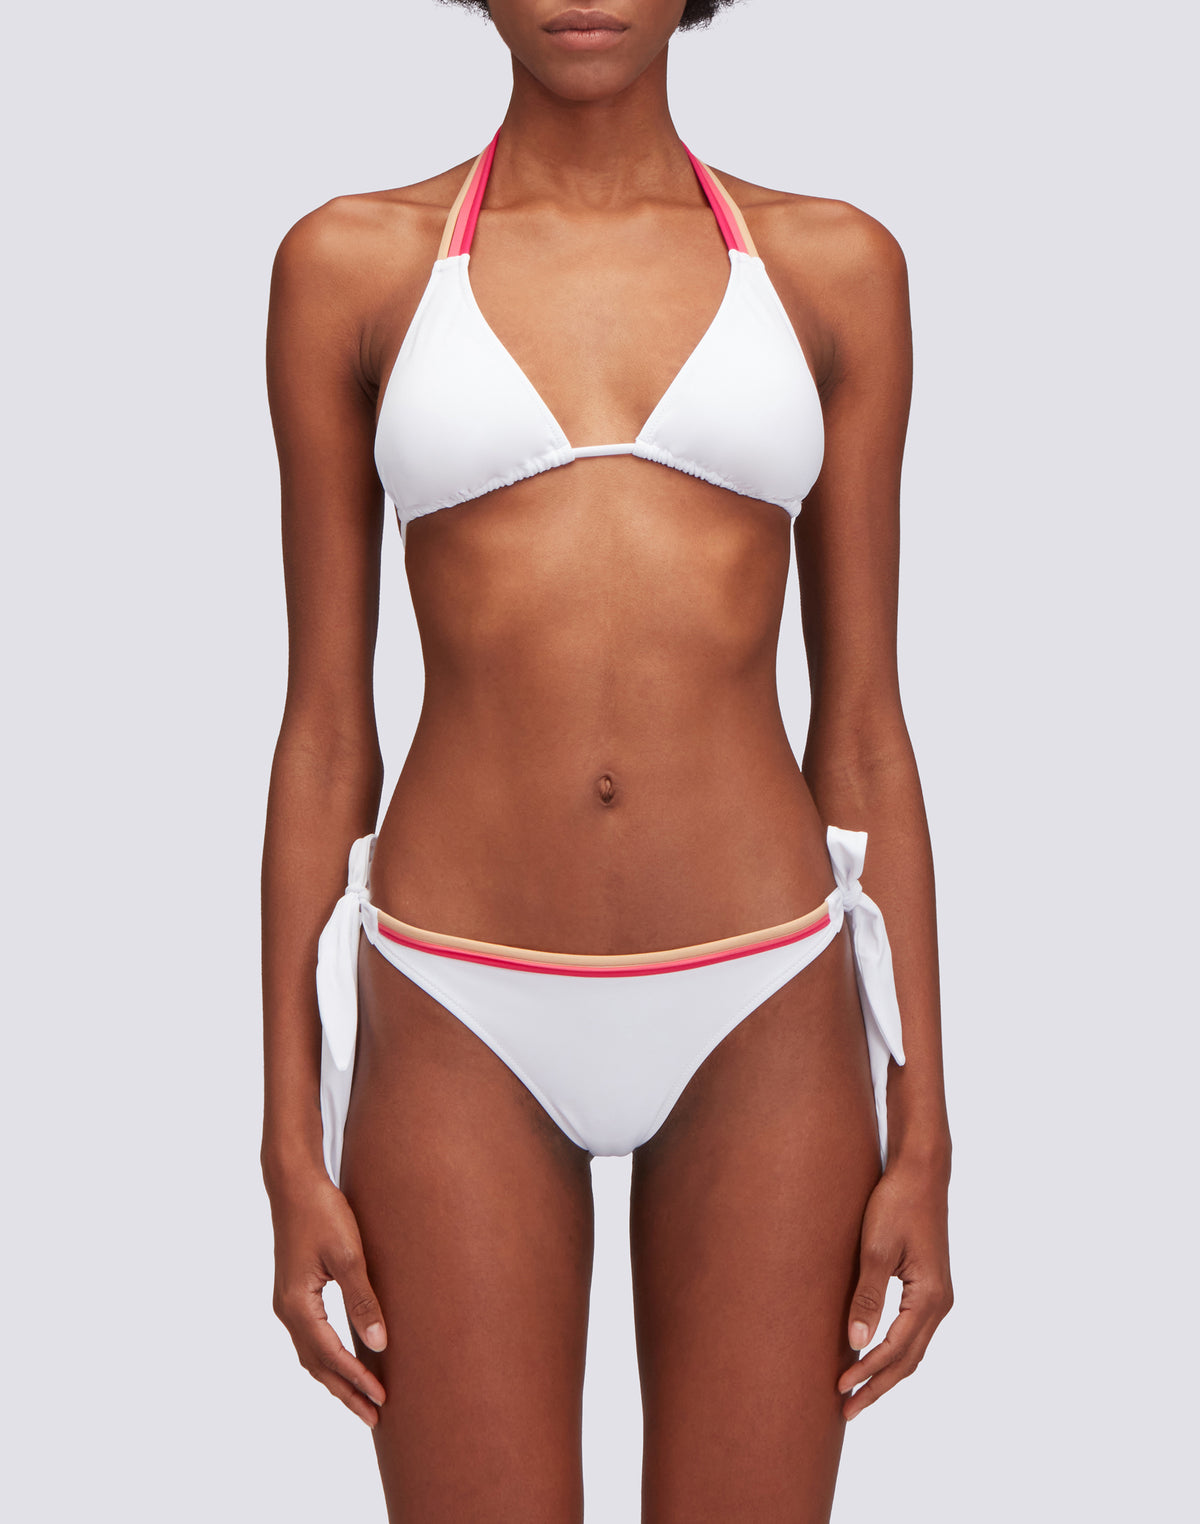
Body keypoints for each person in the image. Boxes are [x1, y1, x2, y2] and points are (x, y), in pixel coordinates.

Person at [260, 1, 953, 1517]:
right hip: (453, 999)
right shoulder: (349, 265)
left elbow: (863, 725)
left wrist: (929, 1138)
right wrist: (286, 1140)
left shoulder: (835, 267)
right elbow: (322, 731)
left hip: (766, 994)